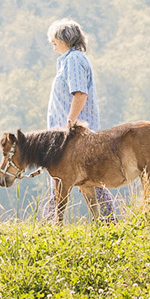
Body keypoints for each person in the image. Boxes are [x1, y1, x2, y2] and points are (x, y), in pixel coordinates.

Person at [45, 19, 115, 219]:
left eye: (54, 38)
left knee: (86, 180)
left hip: (75, 134)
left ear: (65, 38)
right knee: (77, 180)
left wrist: (71, 122)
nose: (51, 41)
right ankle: (107, 221)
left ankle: (51, 224)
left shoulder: (74, 60)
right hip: (66, 135)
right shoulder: (67, 60)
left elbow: (80, 93)